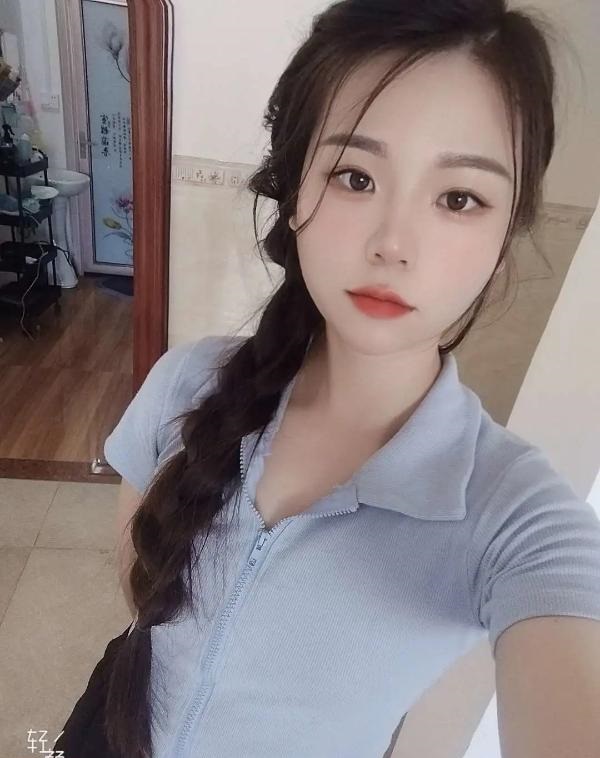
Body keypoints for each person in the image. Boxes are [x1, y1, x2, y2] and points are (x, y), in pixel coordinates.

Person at [55, 1, 600, 757]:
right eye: (354, 176)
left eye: (459, 198)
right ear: (293, 193)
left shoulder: (516, 518)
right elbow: (144, 605)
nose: (393, 244)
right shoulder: (186, 384)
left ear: (504, 237)